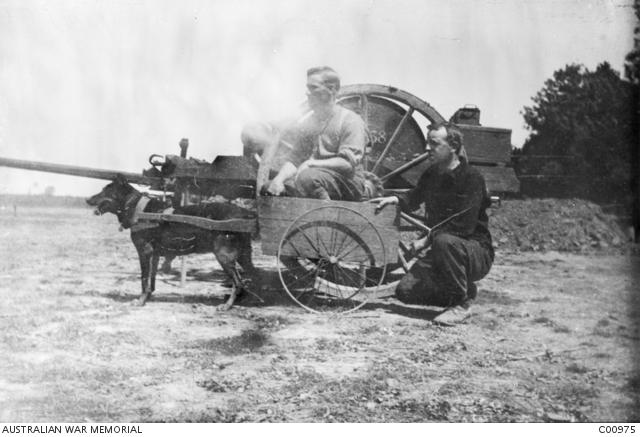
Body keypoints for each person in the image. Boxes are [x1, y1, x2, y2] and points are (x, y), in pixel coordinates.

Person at [372, 123, 494, 326]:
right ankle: (465, 291)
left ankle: (461, 305)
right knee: (405, 292)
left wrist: (426, 240)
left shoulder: (472, 178)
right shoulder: (432, 174)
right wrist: (395, 200)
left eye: (434, 143)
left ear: (453, 146)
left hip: (474, 251)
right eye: (428, 142)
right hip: (443, 247)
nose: (427, 148)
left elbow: (463, 226)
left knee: (445, 241)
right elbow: (414, 196)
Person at [241, 66, 368, 200]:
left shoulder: (350, 121)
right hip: (316, 179)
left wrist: (312, 163)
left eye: (313, 88)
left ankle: (325, 214)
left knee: (307, 178)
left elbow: (347, 165)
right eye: (307, 87)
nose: (307, 93)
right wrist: (278, 180)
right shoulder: (311, 123)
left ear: (332, 90)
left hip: (348, 183)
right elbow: (296, 158)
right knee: (268, 188)